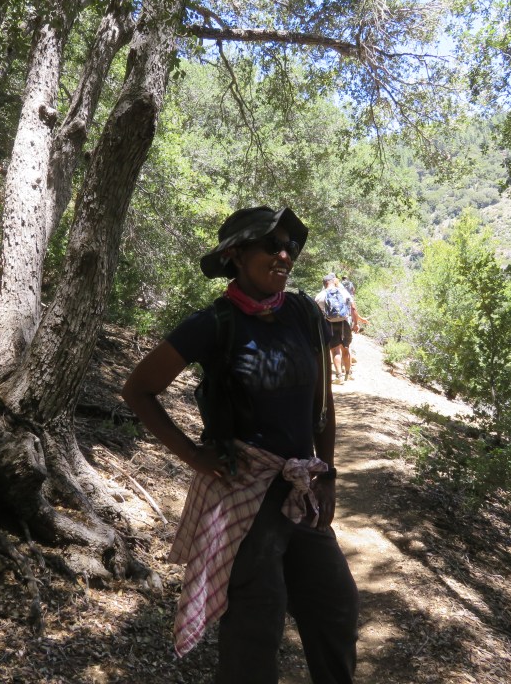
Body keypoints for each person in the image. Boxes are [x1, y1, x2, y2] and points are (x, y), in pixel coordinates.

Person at [122, 206, 359, 684]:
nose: (284, 255)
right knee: (256, 622)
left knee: (335, 605)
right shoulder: (213, 323)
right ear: (235, 254)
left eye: (289, 246)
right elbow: (138, 390)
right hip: (244, 496)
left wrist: (328, 472)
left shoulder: (304, 314)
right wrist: (194, 455)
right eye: (271, 244)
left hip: (299, 489)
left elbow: (323, 403)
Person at [315, 274, 354, 382]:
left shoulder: (320, 295)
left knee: (335, 350)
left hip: (329, 323)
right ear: (334, 281)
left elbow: (316, 313)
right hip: (344, 323)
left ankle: (339, 376)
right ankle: (348, 374)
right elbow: (353, 307)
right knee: (346, 348)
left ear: (324, 283)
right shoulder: (343, 292)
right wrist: (355, 323)